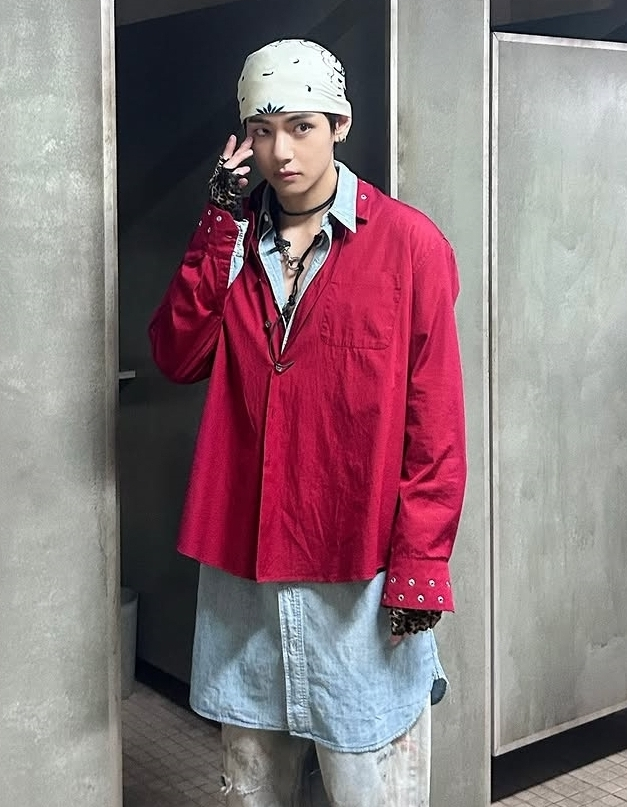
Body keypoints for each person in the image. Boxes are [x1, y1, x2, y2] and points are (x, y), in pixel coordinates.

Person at [149, 38, 466, 807]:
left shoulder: (409, 244)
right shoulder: (233, 239)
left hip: (356, 563)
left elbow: (434, 420)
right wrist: (217, 226)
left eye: (301, 126)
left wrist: (421, 562)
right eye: (262, 131)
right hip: (245, 563)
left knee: (370, 782)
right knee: (251, 779)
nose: (280, 152)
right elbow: (178, 355)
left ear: (339, 125)